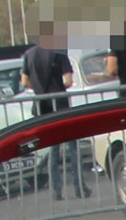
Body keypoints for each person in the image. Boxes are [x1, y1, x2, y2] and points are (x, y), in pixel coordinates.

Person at [20, 22, 88, 200]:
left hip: (42, 104)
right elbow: (69, 80)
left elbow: (24, 82)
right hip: (60, 103)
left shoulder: (29, 55)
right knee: (73, 147)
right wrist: (58, 86)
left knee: (53, 148)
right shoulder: (59, 52)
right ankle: (79, 186)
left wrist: (38, 88)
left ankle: (56, 190)